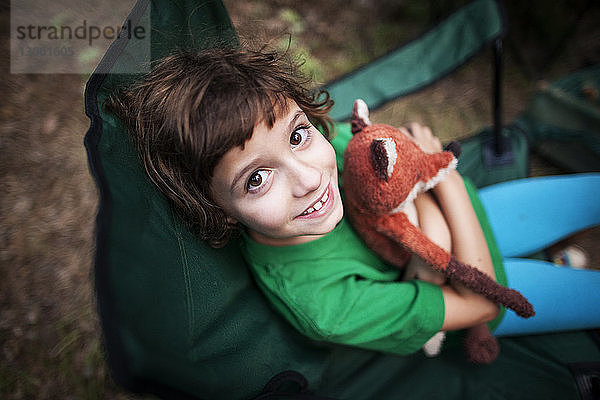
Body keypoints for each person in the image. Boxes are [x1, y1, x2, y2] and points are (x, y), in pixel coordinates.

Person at [108, 46, 600, 356]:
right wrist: (443, 178)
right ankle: (556, 263)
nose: (308, 180)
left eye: (298, 135)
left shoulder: (328, 149)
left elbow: (391, 155)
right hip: (484, 285)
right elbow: (478, 303)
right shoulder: (324, 305)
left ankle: (558, 257)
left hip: (471, 212)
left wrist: (439, 219)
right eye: (256, 179)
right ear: (214, 210)